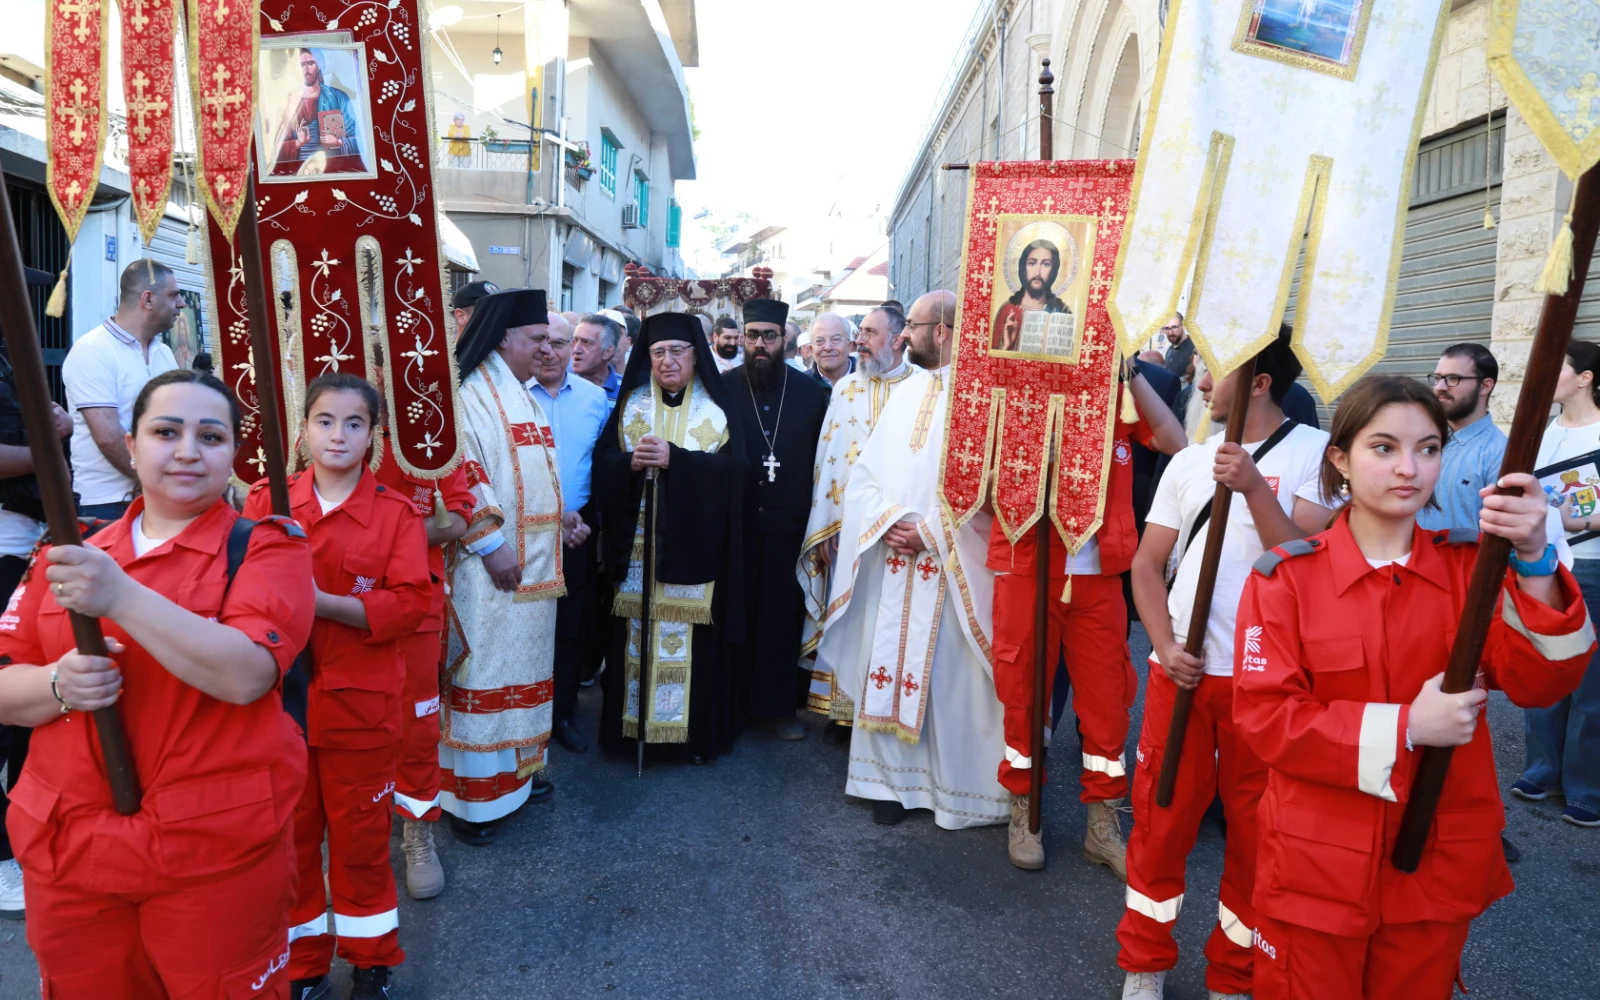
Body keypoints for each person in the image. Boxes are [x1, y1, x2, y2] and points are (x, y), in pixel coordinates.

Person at [1234, 375, 1593, 1000]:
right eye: (1384, 448)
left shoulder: (1471, 570)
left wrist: (1536, 558)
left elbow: (1541, 681)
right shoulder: (1284, 580)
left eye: (1428, 449)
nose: (1409, 468)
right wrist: (1405, 728)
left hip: (1437, 856)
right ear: (1340, 459)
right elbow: (1267, 720)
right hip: (1317, 863)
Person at [0, 369, 314, 996]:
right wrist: (58, 685)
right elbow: (8, 685)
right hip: (72, 852)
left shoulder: (266, 548)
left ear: (234, 453)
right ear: (132, 444)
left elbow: (246, 675)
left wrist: (119, 594)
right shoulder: (69, 550)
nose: (188, 451)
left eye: (211, 436)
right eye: (166, 432)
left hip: (211, 853)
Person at [1117, 328, 1333, 1000]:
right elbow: (1146, 565)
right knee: (1160, 822)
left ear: (1260, 383)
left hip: (1269, 685)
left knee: (1257, 836)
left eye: (1217, 371)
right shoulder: (1188, 461)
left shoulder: (1316, 452)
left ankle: (1233, 974)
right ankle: (1144, 963)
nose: (1203, 384)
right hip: (1180, 675)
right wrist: (1165, 645)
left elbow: (1307, 566)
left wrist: (1254, 488)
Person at [243, 373, 429, 1000]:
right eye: (324, 421)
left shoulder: (396, 515)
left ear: (374, 435)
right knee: (292, 844)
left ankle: (372, 960)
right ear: (303, 429)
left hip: (361, 710)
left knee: (362, 844)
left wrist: (318, 601)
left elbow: (409, 605)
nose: (338, 435)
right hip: (282, 710)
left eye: (354, 424)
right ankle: (303, 966)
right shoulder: (265, 505)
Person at [990, 357, 1187, 874]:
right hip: (1029, 567)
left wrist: (1129, 370)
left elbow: (1175, 440)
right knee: (1022, 692)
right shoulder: (1017, 386)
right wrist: (1025, 475)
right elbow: (977, 488)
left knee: (1107, 700)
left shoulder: (1116, 393)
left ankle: (1103, 821)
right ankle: (1024, 808)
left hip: (1098, 575)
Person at [820, 289, 1009, 827]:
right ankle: (887, 784)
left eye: (914, 326)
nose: (904, 335)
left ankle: (954, 790)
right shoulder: (908, 393)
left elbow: (997, 488)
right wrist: (887, 521)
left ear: (941, 331)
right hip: (894, 556)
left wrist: (931, 531)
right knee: (889, 660)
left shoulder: (983, 396)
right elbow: (866, 475)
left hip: (954, 561)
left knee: (948, 678)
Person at [443, 289, 572, 843]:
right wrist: (491, 543)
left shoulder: (519, 391)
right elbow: (463, 472)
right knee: (485, 673)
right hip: (488, 570)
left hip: (534, 571)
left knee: (520, 676)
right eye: (537, 339)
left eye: (550, 340)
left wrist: (564, 517)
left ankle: (515, 779)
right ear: (503, 338)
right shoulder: (469, 392)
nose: (546, 349)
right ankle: (472, 802)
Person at [593, 312, 747, 763]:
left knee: (696, 647)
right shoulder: (632, 405)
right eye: (658, 352)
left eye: (677, 351)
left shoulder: (717, 410)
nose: (667, 361)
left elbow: (736, 475)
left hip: (695, 554)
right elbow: (603, 465)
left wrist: (677, 461)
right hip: (636, 556)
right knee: (632, 640)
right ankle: (631, 733)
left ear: (696, 356)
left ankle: (690, 740)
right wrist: (630, 464)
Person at [369, 348, 475, 902]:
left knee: (415, 725)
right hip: (337, 607)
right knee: (349, 725)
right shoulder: (327, 435)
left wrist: (378, 537)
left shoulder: (432, 435)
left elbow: (457, 518)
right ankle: (358, 837)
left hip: (414, 603)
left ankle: (417, 833)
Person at [798, 305, 921, 735]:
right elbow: (828, 463)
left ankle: (889, 709)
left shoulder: (922, 387)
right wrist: (826, 527)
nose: (859, 342)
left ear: (898, 339)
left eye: (869, 333)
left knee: (894, 622)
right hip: (849, 529)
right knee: (850, 615)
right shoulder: (846, 389)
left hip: (902, 528)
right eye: (861, 333)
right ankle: (843, 710)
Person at [722, 300, 829, 741]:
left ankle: (782, 709)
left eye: (769, 335)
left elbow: (824, 463)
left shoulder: (811, 394)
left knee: (782, 617)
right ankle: (733, 708)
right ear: (743, 339)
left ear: (785, 339)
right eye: (753, 336)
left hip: (791, 526)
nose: (760, 344)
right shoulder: (722, 388)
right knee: (737, 613)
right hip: (737, 525)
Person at [1520, 340, 1600, 828]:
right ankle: (1542, 770)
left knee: (1590, 683)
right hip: (1547, 563)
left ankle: (1586, 789)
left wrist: (1579, 523)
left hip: (1591, 563)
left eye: (1558, 368)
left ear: (1586, 377)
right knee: (1545, 666)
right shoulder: (1545, 429)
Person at [529, 313, 608, 755]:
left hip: (577, 534)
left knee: (570, 627)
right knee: (525, 627)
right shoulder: (509, 397)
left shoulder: (595, 399)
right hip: (522, 534)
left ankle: (561, 713)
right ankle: (523, 714)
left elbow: (603, 465)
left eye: (560, 343)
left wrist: (585, 520)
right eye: (540, 340)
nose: (550, 351)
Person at [63, 259, 182, 519]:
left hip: (159, 496)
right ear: (148, 299)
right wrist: (155, 482)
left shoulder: (163, 352)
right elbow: (108, 436)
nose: (182, 303)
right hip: (109, 502)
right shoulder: (93, 350)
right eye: (174, 295)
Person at [271, 48, 366, 169]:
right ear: (294, 69)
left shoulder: (338, 97)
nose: (306, 70)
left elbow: (360, 143)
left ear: (319, 66)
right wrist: (298, 143)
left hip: (337, 168)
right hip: (302, 171)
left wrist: (338, 142)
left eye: (311, 63)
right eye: (301, 65)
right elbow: (275, 151)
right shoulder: (287, 103)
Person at [992, 240, 1073, 353]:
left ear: (1053, 270)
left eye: (1046, 264)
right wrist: (1007, 346)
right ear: (1023, 268)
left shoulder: (1062, 310)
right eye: (1032, 263)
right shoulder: (1008, 310)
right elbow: (991, 358)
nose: (1037, 272)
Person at [573, 312, 626, 405]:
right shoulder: (560, 388)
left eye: (586, 342)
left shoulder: (627, 391)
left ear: (608, 352)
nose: (576, 349)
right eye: (575, 341)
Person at [807, 313, 856, 388]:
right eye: (820, 341)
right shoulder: (801, 383)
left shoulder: (869, 381)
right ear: (811, 349)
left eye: (836, 339)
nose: (828, 347)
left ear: (849, 346)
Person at [1162, 313, 1195, 381]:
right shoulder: (1170, 350)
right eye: (1167, 328)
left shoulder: (1195, 349)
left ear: (1183, 326)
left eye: (1174, 327)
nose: (1170, 333)